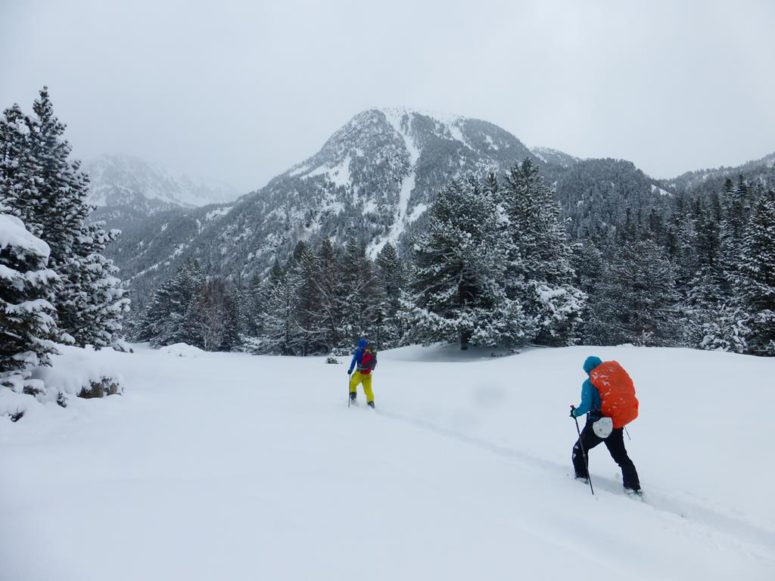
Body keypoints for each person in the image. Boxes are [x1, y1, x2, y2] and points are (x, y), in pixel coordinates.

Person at [570, 355, 641, 494]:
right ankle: (633, 487)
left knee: (579, 449)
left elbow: (585, 406)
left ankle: (581, 479)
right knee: (621, 457)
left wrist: (575, 413)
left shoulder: (589, 383)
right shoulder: (615, 380)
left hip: (598, 424)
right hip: (615, 422)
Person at [347, 338, 377, 408]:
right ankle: (370, 401)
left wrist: (350, 370)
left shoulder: (358, 351)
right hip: (368, 374)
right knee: (368, 389)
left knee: (352, 382)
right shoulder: (370, 352)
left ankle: (353, 395)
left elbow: (353, 361)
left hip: (359, 373)